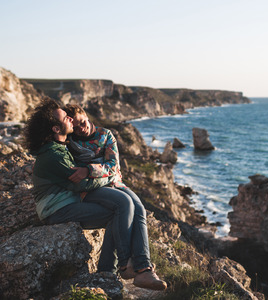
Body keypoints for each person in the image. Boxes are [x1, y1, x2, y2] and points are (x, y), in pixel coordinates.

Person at [23, 99, 166, 290]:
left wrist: (93, 171)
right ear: (56, 129)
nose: (73, 122)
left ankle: (112, 272)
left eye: (75, 119)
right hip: (57, 208)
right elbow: (80, 183)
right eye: (67, 118)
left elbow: (105, 168)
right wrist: (105, 176)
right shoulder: (56, 153)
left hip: (70, 199)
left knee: (133, 207)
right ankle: (124, 265)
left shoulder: (65, 145)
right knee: (123, 205)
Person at [62, 104, 163, 288]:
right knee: (124, 205)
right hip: (91, 189)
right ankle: (127, 265)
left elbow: (113, 166)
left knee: (139, 207)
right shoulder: (70, 141)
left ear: (86, 115)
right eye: (75, 127)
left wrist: (89, 169)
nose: (80, 129)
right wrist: (93, 172)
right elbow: (75, 171)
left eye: (82, 123)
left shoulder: (105, 134)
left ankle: (143, 269)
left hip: (114, 183)